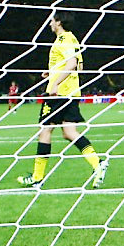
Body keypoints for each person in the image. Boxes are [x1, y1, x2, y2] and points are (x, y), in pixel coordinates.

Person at [17, 11, 108, 188]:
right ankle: (98, 164)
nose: (50, 23)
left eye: (52, 20)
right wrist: (51, 74)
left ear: (58, 22)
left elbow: (72, 64)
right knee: (69, 132)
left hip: (58, 94)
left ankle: (37, 177)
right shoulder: (73, 39)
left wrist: (55, 83)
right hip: (72, 93)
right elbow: (79, 67)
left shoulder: (63, 39)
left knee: (45, 130)